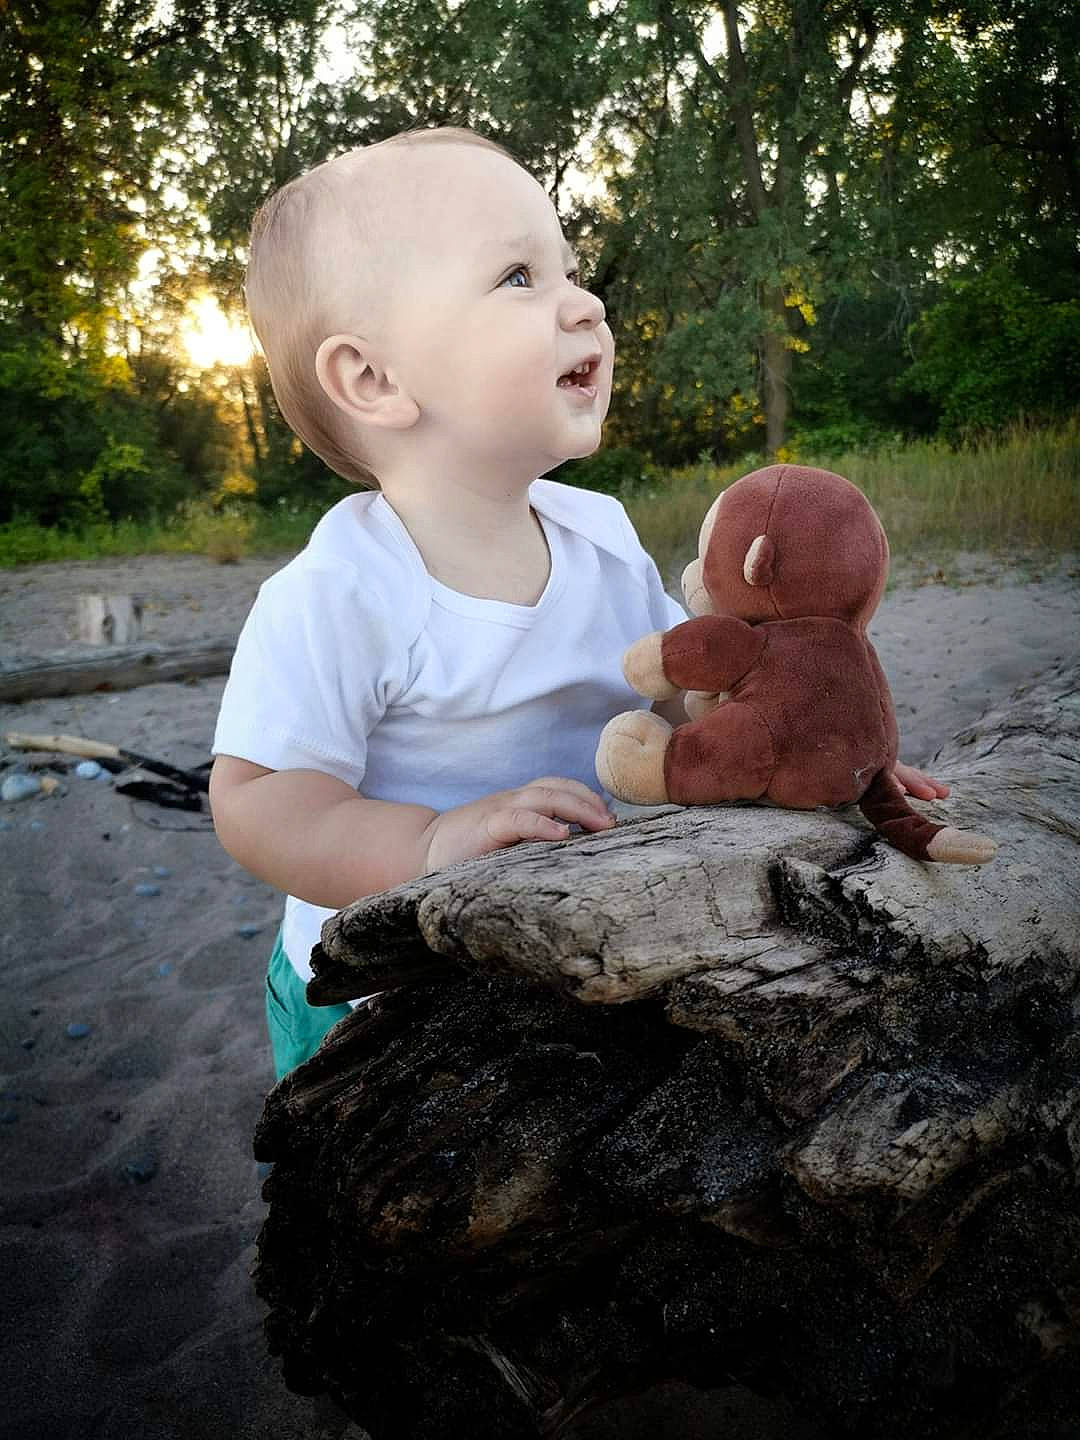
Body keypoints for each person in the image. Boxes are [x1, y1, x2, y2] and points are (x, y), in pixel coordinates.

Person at [210, 126, 945, 1081]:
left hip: (570, 943)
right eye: (519, 277)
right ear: (374, 379)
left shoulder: (597, 533)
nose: (585, 303)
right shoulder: (339, 591)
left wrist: (818, 742)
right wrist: (428, 841)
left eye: (569, 268)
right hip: (374, 1005)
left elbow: (684, 693)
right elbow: (259, 800)